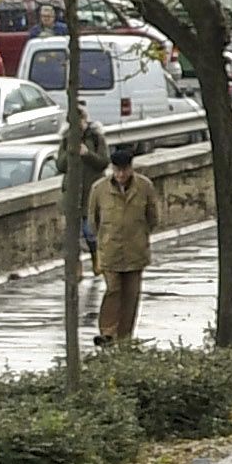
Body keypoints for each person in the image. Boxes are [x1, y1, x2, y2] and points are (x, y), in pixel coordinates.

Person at [85, 147, 152, 344]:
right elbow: (93, 219)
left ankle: (125, 336)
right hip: (110, 249)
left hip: (135, 249)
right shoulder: (99, 189)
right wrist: (103, 239)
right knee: (113, 289)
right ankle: (107, 331)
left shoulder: (145, 187)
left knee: (131, 294)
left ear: (131, 168)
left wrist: (140, 235)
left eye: (124, 170)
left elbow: (152, 217)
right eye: (117, 170)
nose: (121, 175)